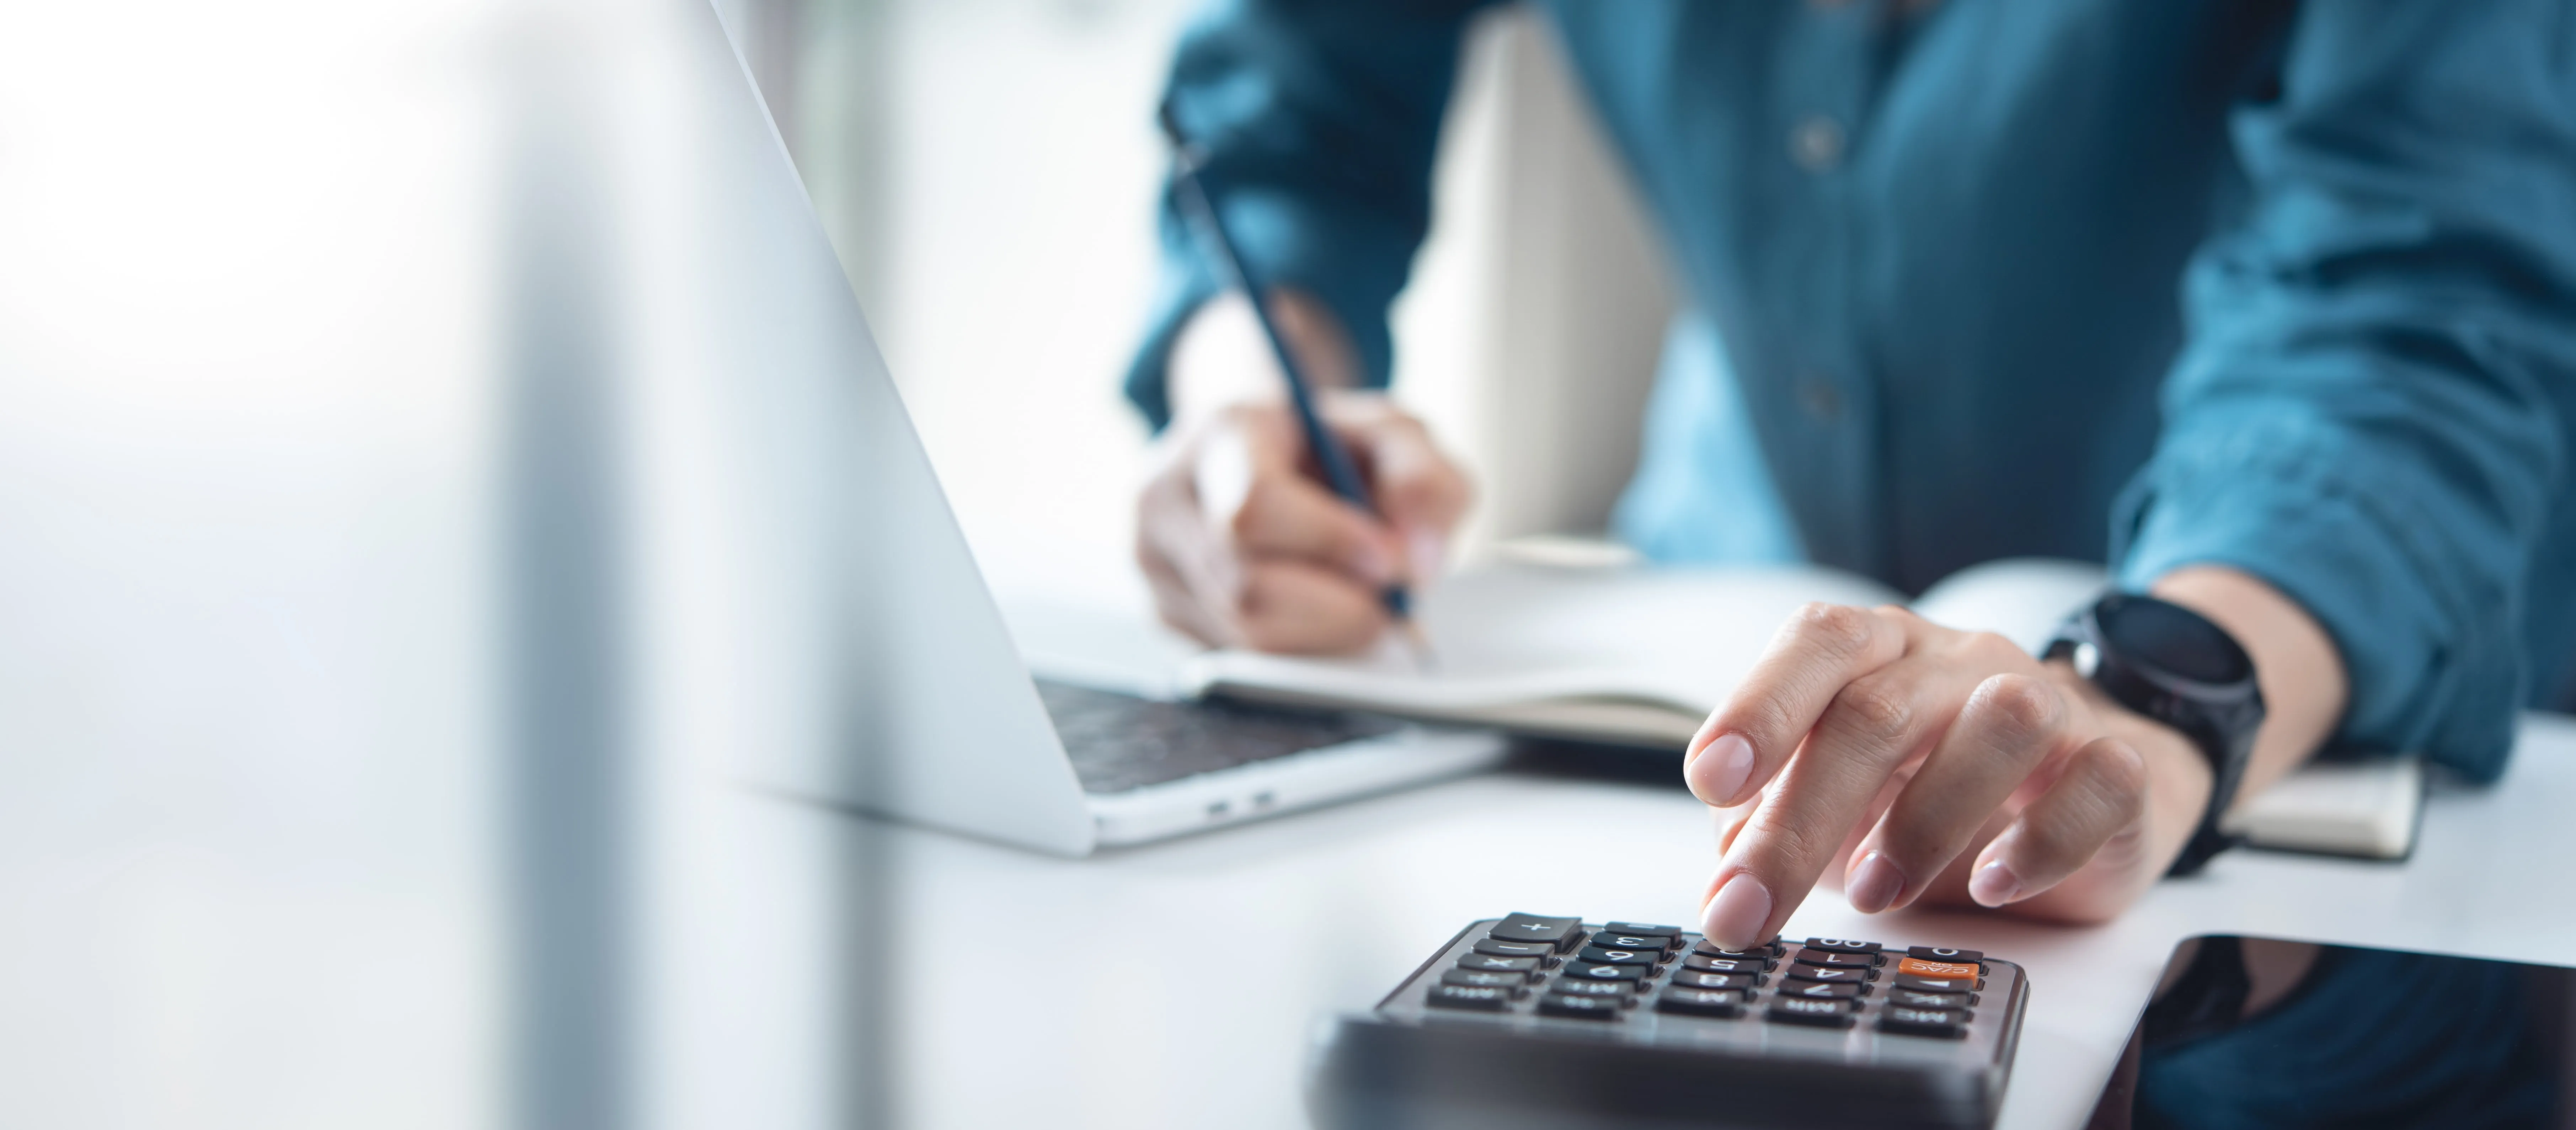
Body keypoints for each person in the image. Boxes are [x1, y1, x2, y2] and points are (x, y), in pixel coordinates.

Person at [1123, 0, 2576, 950]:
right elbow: (1288, 114)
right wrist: (1252, 400)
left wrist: (2159, 692)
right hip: (1708, 616)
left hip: (2320, 679)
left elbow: (2411, 294)